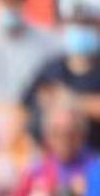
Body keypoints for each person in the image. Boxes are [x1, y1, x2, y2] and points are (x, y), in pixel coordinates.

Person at [14, 100, 100, 196]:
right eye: (56, 133)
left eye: (70, 133)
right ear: (47, 136)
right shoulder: (35, 170)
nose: (64, 139)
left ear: (82, 134)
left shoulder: (95, 169)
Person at [22, 10, 100, 150]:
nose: (81, 33)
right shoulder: (52, 69)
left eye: (87, 26)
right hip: (52, 158)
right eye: (77, 26)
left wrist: (71, 100)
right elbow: (25, 106)